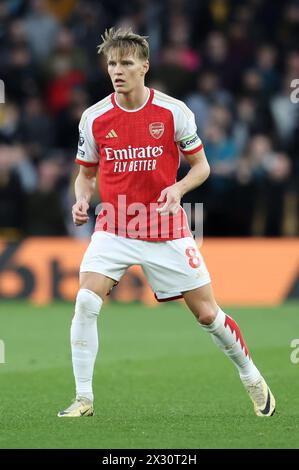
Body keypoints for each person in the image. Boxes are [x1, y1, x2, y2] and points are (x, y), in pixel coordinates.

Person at [58, 28, 275, 418]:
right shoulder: (93, 118)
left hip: (165, 228)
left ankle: (251, 375)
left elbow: (202, 167)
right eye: (112, 63)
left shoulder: (174, 112)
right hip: (114, 226)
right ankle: (84, 399)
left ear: (145, 66)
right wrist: (81, 199)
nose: (117, 70)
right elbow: (85, 174)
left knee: (208, 314)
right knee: (86, 302)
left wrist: (177, 190)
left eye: (125, 63)